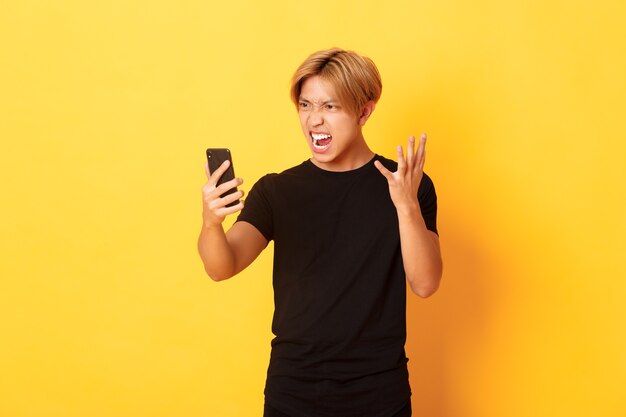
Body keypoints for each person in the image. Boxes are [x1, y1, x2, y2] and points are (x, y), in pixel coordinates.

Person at [198, 48, 442, 417]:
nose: (314, 120)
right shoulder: (277, 191)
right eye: (306, 105)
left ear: (364, 110)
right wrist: (211, 223)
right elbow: (222, 266)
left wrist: (405, 205)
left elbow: (425, 283)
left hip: (380, 393)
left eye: (330, 107)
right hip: (293, 392)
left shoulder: (408, 186)